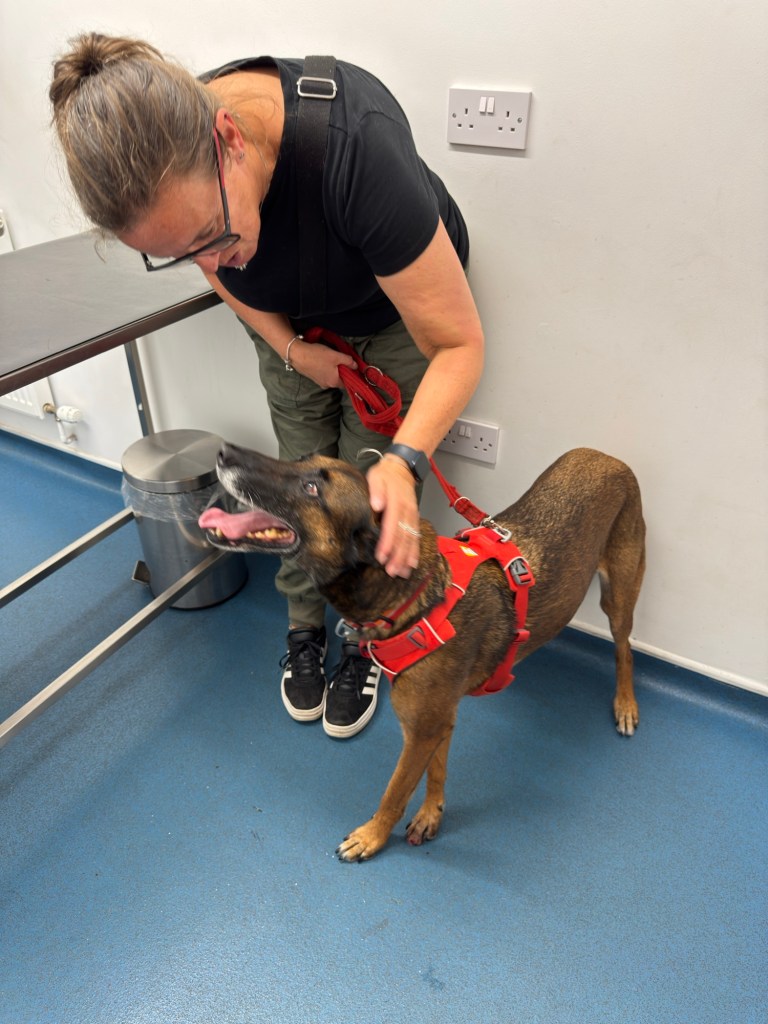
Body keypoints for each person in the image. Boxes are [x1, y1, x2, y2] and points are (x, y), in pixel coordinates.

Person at [50, 33, 485, 739]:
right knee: (290, 480)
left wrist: (405, 463)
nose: (211, 261)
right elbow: (216, 267)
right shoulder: (182, 172)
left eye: (212, 234)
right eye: (178, 255)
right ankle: (304, 629)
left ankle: (366, 641)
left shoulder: (356, 149)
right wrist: (290, 347)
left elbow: (459, 345)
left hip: (395, 317)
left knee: (369, 487)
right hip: (293, 323)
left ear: (230, 139)